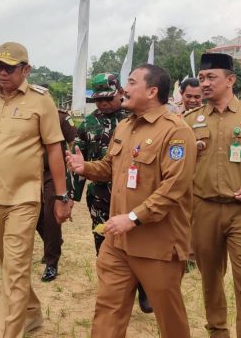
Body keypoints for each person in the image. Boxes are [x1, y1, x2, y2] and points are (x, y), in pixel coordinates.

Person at [66, 64, 196, 338]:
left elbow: (174, 188)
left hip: (156, 245)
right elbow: (110, 168)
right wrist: (84, 168)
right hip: (118, 243)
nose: (124, 88)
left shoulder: (176, 132)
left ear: (152, 91)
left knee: (169, 318)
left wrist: (133, 218)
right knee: (107, 311)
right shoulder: (125, 127)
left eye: (132, 82)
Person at [0, 42, 68, 338]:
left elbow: (54, 149)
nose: (2, 73)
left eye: (9, 68)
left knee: (13, 271)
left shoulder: (41, 101)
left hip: (23, 198)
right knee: (10, 267)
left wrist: (62, 196)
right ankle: (33, 312)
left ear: (26, 70)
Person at [184, 53, 241, 338]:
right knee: (210, 281)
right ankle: (217, 332)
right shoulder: (188, 121)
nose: (204, 84)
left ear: (230, 80)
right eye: (202, 78)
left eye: (211, 78)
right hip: (204, 209)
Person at [68, 73, 153, 312]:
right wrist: (71, 197)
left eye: (108, 98)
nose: (103, 104)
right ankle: (113, 288)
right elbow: (78, 161)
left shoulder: (135, 119)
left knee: (138, 238)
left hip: (134, 192)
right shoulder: (87, 124)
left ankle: (144, 287)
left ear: (119, 93)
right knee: (104, 240)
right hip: (100, 194)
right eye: (98, 100)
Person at [35, 107, 76, 282]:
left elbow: (74, 142)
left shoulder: (61, 117)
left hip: (53, 172)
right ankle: (53, 242)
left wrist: (72, 173)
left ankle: (52, 262)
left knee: (51, 215)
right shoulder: (26, 116)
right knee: (35, 215)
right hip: (30, 172)